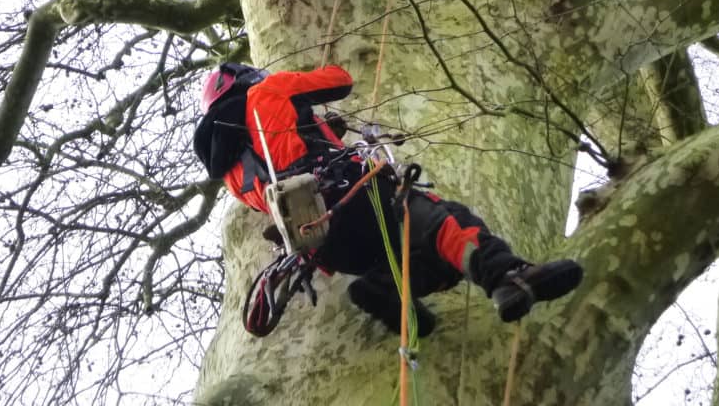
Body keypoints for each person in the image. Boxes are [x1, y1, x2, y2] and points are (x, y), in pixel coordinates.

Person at [193, 62, 583, 336]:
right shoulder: (266, 91)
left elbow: (279, 161)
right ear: (244, 79)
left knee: (428, 260)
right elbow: (339, 80)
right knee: (440, 220)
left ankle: (383, 289)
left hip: (326, 245)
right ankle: (507, 276)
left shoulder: (230, 174)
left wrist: (319, 129)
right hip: (350, 195)